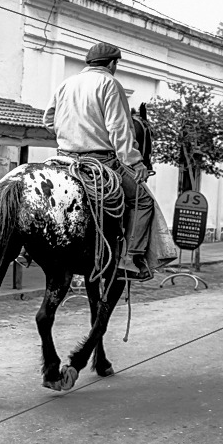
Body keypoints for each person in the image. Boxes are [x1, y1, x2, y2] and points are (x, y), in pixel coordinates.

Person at [43, 42, 154, 280]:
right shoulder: (110, 84)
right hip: (99, 163)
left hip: (63, 159)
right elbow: (119, 129)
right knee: (143, 201)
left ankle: (27, 249)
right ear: (113, 64)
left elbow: (48, 120)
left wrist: (71, 134)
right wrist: (135, 162)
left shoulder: (66, 83)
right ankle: (131, 258)